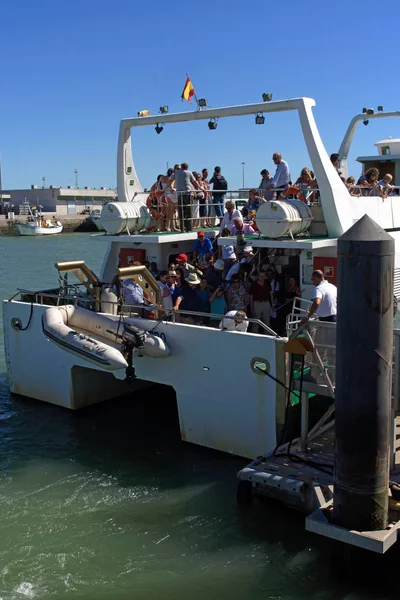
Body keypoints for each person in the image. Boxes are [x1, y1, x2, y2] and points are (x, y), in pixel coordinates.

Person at [170, 162, 200, 232]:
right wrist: (201, 189)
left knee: (181, 212)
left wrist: (171, 187)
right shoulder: (189, 173)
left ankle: (182, 228)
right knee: (189, 211)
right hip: (187, 194)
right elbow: (195, 182)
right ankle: (189, 228)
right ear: (187, 167)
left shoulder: (176, 173)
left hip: (179, 194)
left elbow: (170, 181)